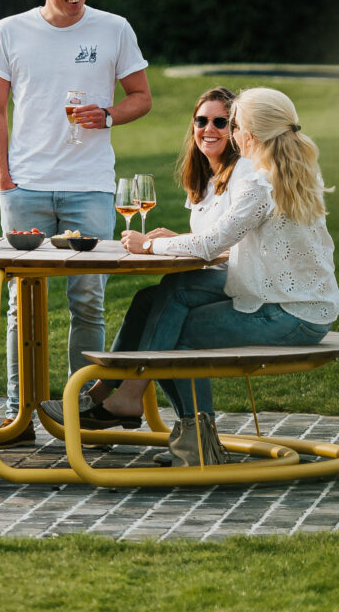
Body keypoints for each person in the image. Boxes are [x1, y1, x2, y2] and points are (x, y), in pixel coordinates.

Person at [60, 87, 339, 468]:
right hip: (290, 300)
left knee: (175, 333)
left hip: (289, 314)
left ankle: (193, 441)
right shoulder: (289, 168)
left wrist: (149, 246)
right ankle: (131, 400)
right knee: (162, 297)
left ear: (250, 135)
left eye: (234, 124)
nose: (231, 134)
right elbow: (223, 240)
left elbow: (210, 244)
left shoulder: (260, 183)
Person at [0, 0, 152, 441]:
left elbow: (141, 96)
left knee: (88, 301)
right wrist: (3, 177)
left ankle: (78, 407)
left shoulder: (114, 29)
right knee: (20, 301)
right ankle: (19, 413)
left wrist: (110, 115)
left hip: (90, 187)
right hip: (25, 186)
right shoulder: (10, 32)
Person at [40, 85, 239, 463]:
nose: (208, 129)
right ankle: (105, 392)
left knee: (171, 305)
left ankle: (124, 397)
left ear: (237, 129)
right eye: (201, 120)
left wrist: (156, 245)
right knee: (149, 298)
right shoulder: (208, 180)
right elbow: (211, 240)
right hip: (216, 276)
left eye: (220, 122)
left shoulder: (242, 177)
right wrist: (181, 239)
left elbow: (231, 247)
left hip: (241, 284)